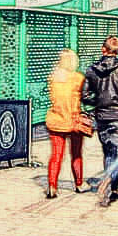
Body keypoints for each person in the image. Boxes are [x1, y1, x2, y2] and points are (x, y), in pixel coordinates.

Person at [82, 35, 118, 207]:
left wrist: (99, 102)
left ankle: (114, 188)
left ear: (103, 49)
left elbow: (84, 95)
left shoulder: (91, 70)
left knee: (109, 153)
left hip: (102, 117)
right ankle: (107, 180)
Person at [44, 49, 88, 198]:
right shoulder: (78, 78)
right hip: (74, 120)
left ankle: (52, 186)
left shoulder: (53, 78)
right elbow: (84, 97)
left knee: (56, 155)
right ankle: (79, 184)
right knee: (76, 154)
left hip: (56, 119)